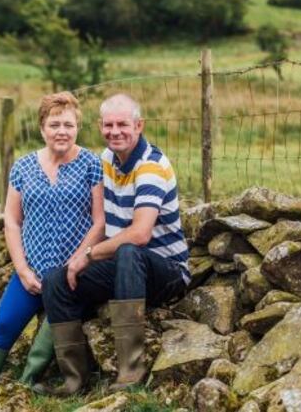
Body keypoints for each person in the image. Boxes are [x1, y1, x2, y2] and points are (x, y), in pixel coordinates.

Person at [41, 93, 190, 395]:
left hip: (167, 272)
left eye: (123, 124)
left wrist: (89, 254)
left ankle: (130, 374)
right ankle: (74, 380)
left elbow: (139, 234)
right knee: (56, 279)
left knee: (128, 251)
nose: (115, 131)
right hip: (125, 267)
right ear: (99, 126)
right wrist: (76, 260)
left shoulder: (151, 165)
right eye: (108, 125)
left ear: (139, 125)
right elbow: (101, 222)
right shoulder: (107, 161)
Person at [0, 92, 105, 394]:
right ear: (42, 128)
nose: (62, 131)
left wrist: (77, 262)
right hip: (31, 270)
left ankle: (24, 391)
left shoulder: (92, 164)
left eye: (68, 124)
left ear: (78, 127)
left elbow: (99, 222)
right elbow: (12, 222)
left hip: (71, 276)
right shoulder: (23, 167)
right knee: (2, 328)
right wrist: (23, 270)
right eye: (55, 124)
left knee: (51, 333)